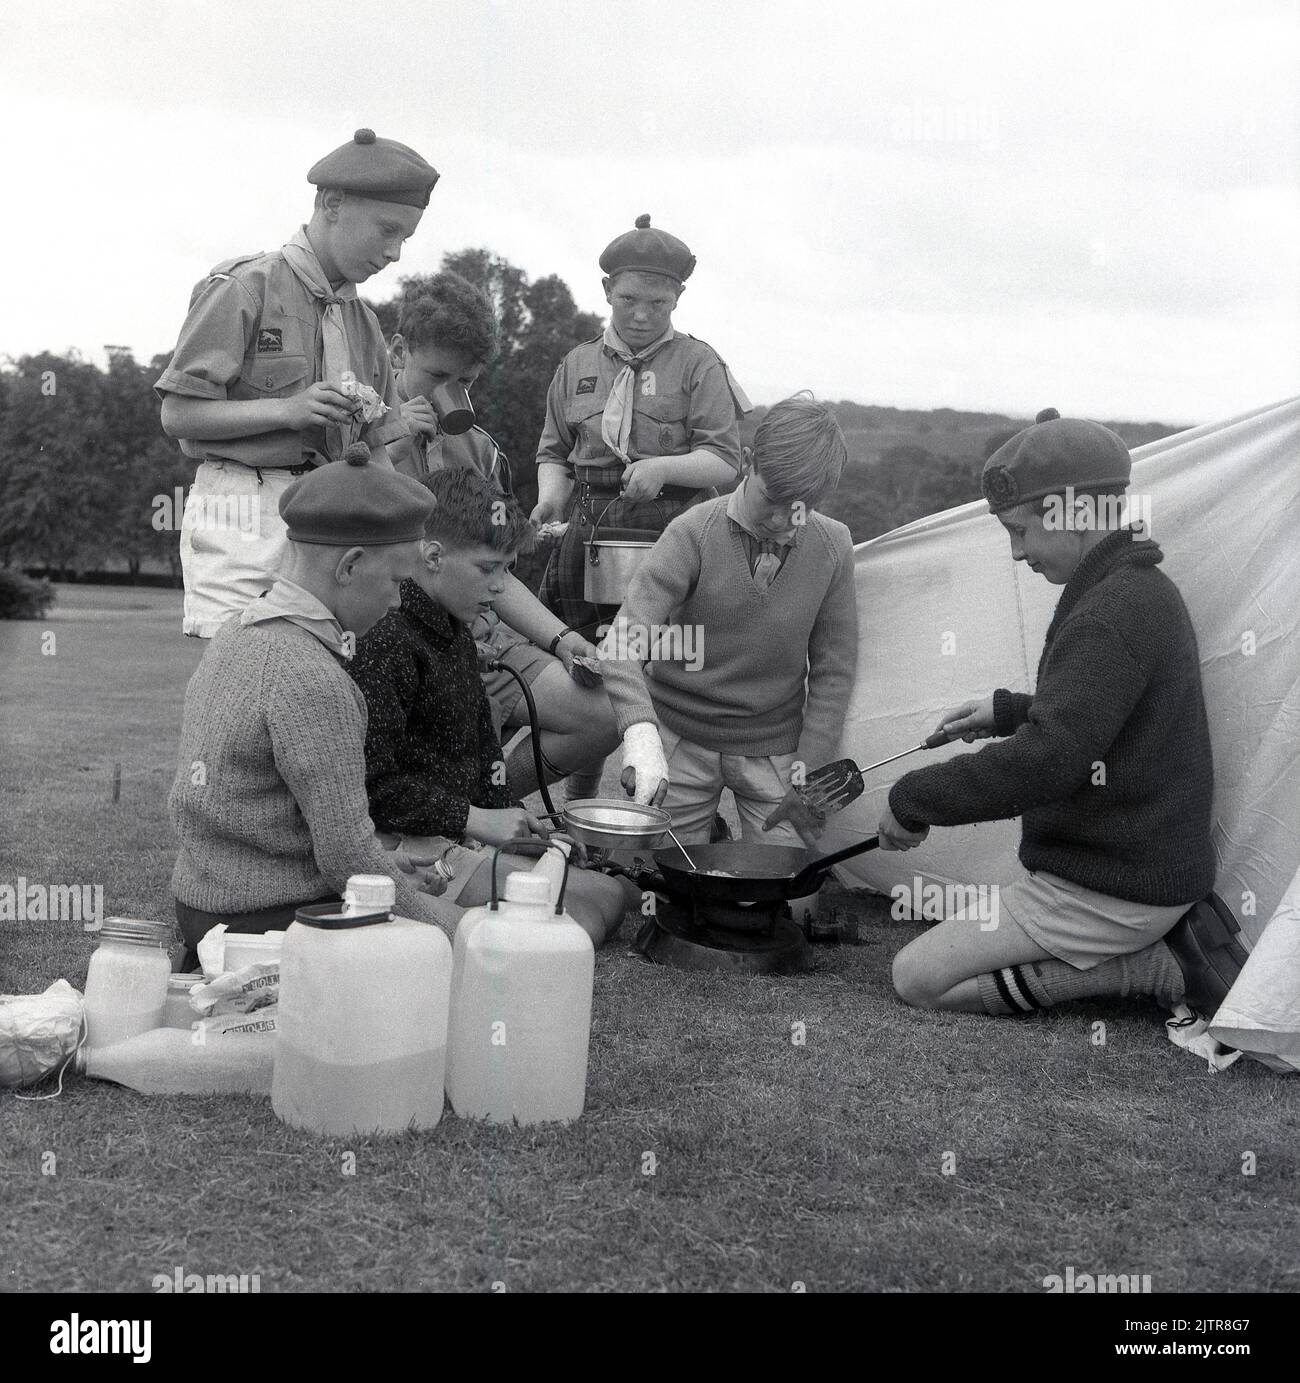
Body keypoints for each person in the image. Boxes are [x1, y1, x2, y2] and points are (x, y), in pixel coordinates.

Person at [881, 410, 1243, 1020]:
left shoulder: (1110, 610)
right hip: (1137, 874)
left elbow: (1049, 762)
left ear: (1070, 512)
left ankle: (1159, 967)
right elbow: (1106, 723)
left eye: (1019, 531)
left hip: (1113, 890)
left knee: (917, 978)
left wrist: (912, 799)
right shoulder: (1132, 588)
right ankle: (1157, 944)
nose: (1017, 553)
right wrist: (1008, 711)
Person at [167, 444, 460, 968]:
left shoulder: (237, 631)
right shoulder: (310, 676)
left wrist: (387, 865)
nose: (397, 602)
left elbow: (270, 821)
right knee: (466, 928)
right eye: (395, 581)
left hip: (203, 909)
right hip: (270, 926)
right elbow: (348, 859)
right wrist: (455, 934)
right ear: (350, 565)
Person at [155, 128, 439, 638]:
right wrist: (288, 411)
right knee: (241, 676)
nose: (395, 252)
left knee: (323, 680)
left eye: (406, 238)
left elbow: (377, 448)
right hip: (242, 507)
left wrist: (410, 526)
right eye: (386, 229)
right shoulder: (245, 287)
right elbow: (178, 415)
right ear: (331, 202)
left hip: (334, 517)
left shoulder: (363, 324)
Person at [348, 467, 628, 947]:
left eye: (507, 569)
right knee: (581, 923)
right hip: (403, 847)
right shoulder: (387, 638)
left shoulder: (456, 629)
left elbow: (483, 758)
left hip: (450, 835)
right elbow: (371, 787)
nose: (501, 587)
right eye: (487, 569)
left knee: (615, 896)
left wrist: (525, 825)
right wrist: (473, 820)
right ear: (432, 557)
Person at [530, 214, 750, 803]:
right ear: (607, 292)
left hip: (675, 532)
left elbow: (726, 463)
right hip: (590, 528)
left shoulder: (700, 365)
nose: (642, 314)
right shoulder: (575, 365)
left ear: (678, 295)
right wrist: (550, 496)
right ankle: (580, 809)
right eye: (629, 299)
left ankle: (661, 812)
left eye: (658, 301)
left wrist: (663, 469)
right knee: (588, 669)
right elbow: (553, 452)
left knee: (662, 670)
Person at [387, 271, 618, 799]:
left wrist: (563, 641)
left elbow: (497, 574)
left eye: (467, 382)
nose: (455, 394)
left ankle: (484, 799)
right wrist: (391, 443)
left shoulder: (482, 452)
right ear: (399, 351)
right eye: (439, 375)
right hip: (391, 645)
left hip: (478, 641)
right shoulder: (354, 430)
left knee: (606, 712)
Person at [601, 395, 857, 846]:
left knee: (789, 895)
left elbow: (834, 671)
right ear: (747, 462)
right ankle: (704, 835)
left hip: (772, 747)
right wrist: (642, 737)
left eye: (800, 508)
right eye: (772, 499)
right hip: (679, 734)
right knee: (657, 880)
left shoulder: (834, 546)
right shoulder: (692, 532)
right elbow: (623, 642)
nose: (781, 520)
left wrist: (809, 772)